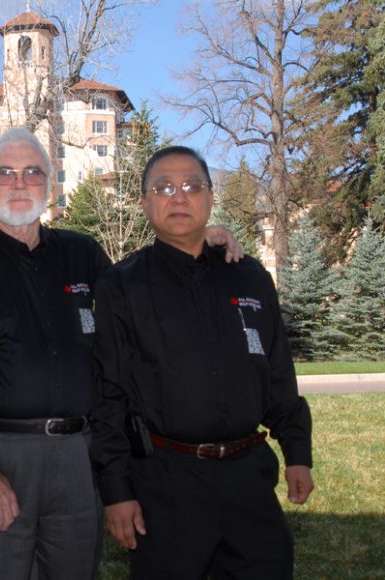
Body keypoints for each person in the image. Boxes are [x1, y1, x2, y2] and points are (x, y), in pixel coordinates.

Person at [0, 128, 244, 579]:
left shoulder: (83, 254)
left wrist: (196, 237)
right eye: (5, 173)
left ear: (51, 184)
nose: (19, 183)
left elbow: (144, 288)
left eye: (33, 172)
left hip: (78, 461)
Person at [90, 145, 314, 579]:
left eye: (192, 186)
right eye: (164, 187)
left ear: (210, 198)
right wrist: (116, 490)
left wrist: (298, 453)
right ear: (144, 203)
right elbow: (108, 394)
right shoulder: (122, 286)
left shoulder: (250, 277)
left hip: (249, 480)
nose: (179, 197)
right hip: (166, 485)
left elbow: (279, 375)